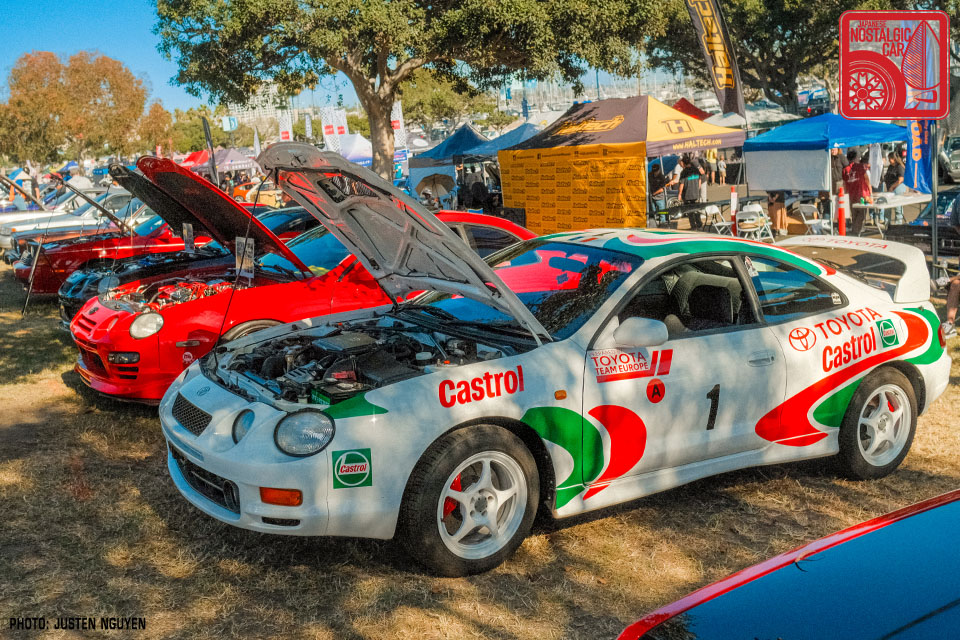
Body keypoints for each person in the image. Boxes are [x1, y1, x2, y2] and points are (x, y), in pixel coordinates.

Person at [842, 149, 872, 234]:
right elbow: (866, 179)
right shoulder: (860, 166)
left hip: (851, 194)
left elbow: (844, 184)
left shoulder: (845, 170)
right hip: (862, 194)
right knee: (861, 213)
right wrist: (870, 190)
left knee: (854, 213)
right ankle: (856, 231)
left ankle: (855, 230)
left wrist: (846, 194)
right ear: (855, 158)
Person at [678, 155, 704, 230]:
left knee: (690, 211)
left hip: (687, 195)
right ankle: (699, 225)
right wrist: (698, 188)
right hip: (696, 194)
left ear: (683, 163)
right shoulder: (696, 169)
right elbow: (700, 179)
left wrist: (679, 194)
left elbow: (682, 184)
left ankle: (693, 226)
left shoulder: (684, 172)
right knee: (696, 210)